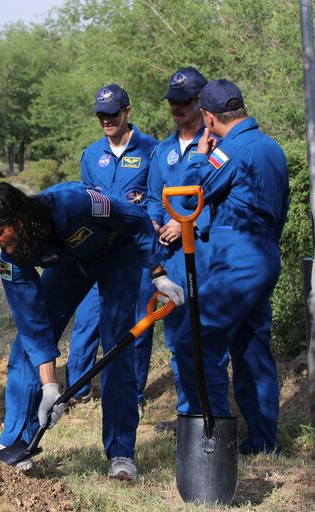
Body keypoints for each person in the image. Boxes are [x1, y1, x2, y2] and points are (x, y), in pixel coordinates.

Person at [0, 182, 184, 479]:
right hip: (68, 265)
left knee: (117, 345)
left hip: (117, 255)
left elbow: (134, 217)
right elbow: (33, 326)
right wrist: (50, 387)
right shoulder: (10, 259)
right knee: (23, 350)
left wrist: (158, 273)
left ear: (19, 221)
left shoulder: (74, 203)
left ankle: (121, 451)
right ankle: (16, 442)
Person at [177, 79, 289, 454]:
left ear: (209, 118)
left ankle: (213, 442)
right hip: (265, 253)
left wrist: (199, 156)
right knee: (252, 348)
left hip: (237, 261)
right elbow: (282, 208)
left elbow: (191, 194)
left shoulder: (231, 151)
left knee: (196, 341)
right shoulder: (271, 148)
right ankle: (261, 442)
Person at [65, 84, 158, 416]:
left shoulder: (152, 150)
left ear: (127, 112)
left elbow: (157, 198)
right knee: (88, 319)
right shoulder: (91, 155)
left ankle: (131, 391)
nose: (106, 120)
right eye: (101, 115)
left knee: (137, 322)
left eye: (112, 114)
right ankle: (77, 389)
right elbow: (86, 199)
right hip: (100, 250)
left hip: (136, 250)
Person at [146, 67, 223, 433]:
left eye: (185, 101)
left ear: (201, 101)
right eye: (172, 101)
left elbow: (223, 200)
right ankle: (188, 414)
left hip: (206, 256)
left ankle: (216, 416)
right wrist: (157, 224)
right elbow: (151, 198)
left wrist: (188, 222)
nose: (177, 107)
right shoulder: (162, 150)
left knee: (207, 340)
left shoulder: (216, 146)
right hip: (171, 260)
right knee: (177, 339)